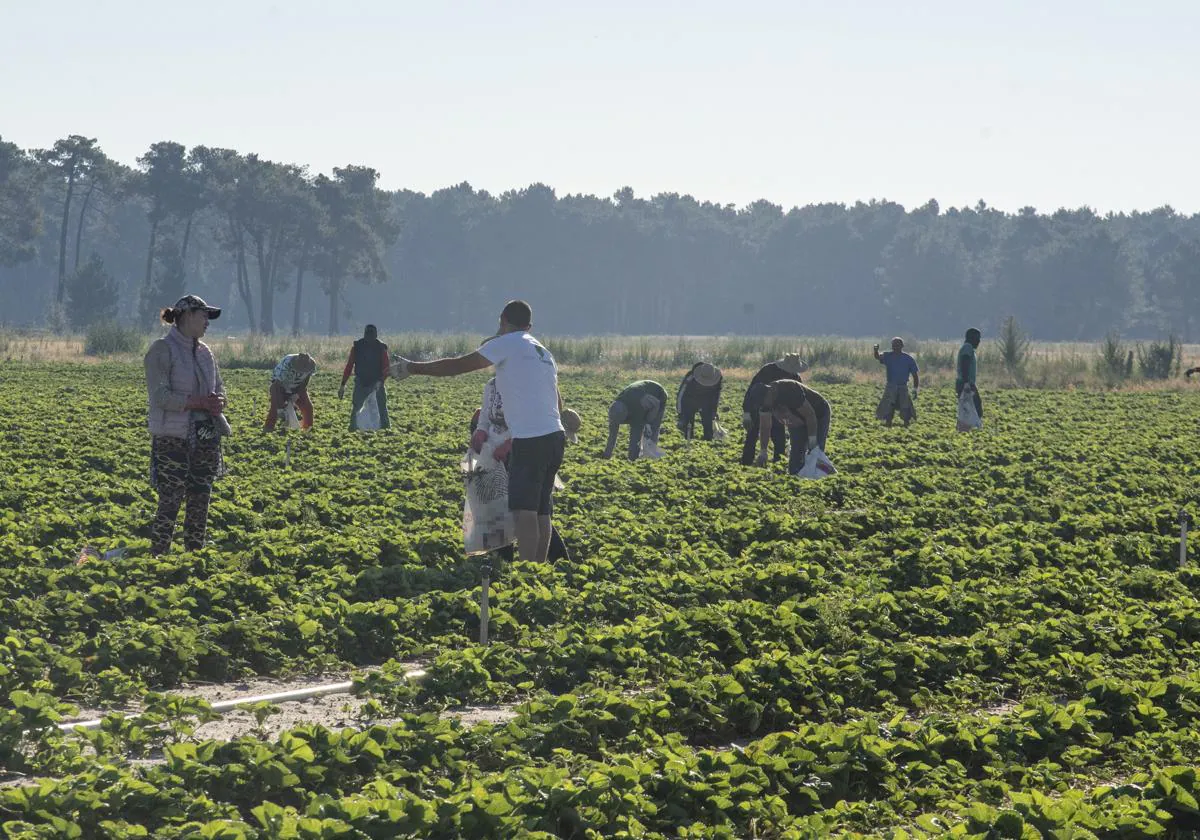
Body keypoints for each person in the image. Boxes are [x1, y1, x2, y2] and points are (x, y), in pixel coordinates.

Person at [394, 300, 570, 565]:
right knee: (542, 512)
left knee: (525, 512)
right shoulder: (543, 351)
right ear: (529, 325)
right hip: (555, 436)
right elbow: (558, 402)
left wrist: (413, 367)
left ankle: (526, 573)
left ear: (502, 321)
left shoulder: (506, 342)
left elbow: (457, 365)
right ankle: (539, 573)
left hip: (530, 440)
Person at [143, 294, 230, 556]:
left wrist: (218, 403)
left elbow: (220, 388)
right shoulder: (161, 350)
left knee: (200, 496)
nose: (207, 322)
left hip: (205, 435)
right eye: (203, 316)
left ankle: (195, 553)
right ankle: (159, 555)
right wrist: (196, 402)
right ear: (187, 316)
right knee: (170, 499)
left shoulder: (206, 353)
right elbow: (160, 397)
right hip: (173, 437)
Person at [469, 376, 578, 563]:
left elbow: (532, 418)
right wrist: (481, 432)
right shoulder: (492, 385)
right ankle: (502, 559)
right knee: (499, 507)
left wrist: (511, 442)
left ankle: (556, 560)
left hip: (527, 449)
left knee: (531, 509)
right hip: (493, 450)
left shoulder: (532, 382)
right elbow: (485, 414)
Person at [740, 352, 809, 466]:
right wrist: (746, 412)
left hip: (778, 411)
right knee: (752, 435)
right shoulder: (768, 370)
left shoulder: (795, 377)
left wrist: (793, 417)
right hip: (758, 407)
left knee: (779, 439)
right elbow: (752, 390)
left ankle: (779, 465)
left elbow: (799, 398)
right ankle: (746, 463)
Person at [753, 379, 831, 475]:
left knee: (815, 453)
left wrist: (812, 440)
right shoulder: (764, 403)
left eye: (764, 403)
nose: (765, 406)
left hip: (818, 413)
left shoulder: (789, 390)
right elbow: (765, 426)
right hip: (795, 419)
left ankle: (826, 475)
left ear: (770, 392)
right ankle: (798, 478)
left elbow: (810, 415)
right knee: (796, 458)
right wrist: (763, 451)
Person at [339, 325, 391, 430]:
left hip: (377, 382)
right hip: (360, 382)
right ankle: (353, 429)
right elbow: (349, 366)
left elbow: (386, 368)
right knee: (356, 407)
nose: (369, 339)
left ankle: (386, 430)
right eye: (368, 336)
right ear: (364, 335)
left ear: (375, 336)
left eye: (371, 336)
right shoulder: (356, 347)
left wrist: (380, 381)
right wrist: (343, 385)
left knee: (381, 408)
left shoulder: (382, 348)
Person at [603, 380, 668, 460]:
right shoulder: (615, 408)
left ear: (626, 415)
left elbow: (635, 436)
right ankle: (639, 456)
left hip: (658, 396)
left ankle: (650, 458)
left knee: (650, 428)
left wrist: (632, 459)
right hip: (641, 394)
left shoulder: (637, 409)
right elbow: (613, 434)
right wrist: (607, 455)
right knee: (642, 427)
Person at [873, 338, 920, 427]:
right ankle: (888, 422)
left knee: (905, 406)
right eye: (894, 345)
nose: (895, 347)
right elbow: (878, 357)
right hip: (891, 386)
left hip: (903, 387)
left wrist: (915, 389)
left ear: (902, 346)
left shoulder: (908, 359)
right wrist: (875, 350)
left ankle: (906, 424)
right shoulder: (888, 356)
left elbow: (915, 375)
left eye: (897, 345)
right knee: (888, 406)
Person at [264, 353, 316, 431]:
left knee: (308, 407)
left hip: (298, 386)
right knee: (276, 408)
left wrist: (297, 393)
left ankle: (307, 429)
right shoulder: (287, 363)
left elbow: (306, 379)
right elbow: (279, 382)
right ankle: (268, 428)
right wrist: (286, 400)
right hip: (280, 385)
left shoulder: (311, 365)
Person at [676, 362, 723, 441]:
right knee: (688, 424)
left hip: (707, 401)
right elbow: (681, 394)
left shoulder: (718, 379)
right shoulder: (690, 377)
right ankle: (688, 440)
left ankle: (708, 441)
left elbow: (716, 395)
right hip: (690, 400)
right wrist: (680, 413)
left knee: (708, 422)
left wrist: (714, 410)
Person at [957, 327, 983, 420]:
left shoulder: (968, 348)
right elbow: (965, 364)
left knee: (969, 410)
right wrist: (966, 383)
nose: (979, 341)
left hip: (966, 382)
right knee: (974, 409)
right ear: (972, 338)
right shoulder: (967, 347)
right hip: (966, 383)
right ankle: (968, 430)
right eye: (977, 338)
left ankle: (967, 430)